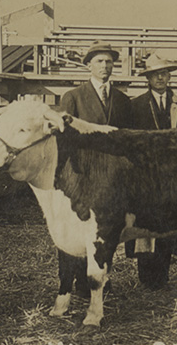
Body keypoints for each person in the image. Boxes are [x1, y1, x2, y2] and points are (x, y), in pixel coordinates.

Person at [56, 42, 134, 297]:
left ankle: (101, 279)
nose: (105, 66)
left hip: (111, 177)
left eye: (109, 62)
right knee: (78, 228)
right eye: (99, 61)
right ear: (88, 65)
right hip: (81, 175)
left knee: (104, 230)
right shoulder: (73, 96)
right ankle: (73, 284)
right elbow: (64, 138)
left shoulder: (122, 100)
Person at [127, 53, 177, 290]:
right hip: (144, 176)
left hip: (170, 176)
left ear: (169, 77)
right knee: (145, 225)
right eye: (155, 75)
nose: (160, 78)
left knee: (167, 225)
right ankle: (146, 277)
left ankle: (163, 276)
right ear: (148, 78)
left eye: (164, 74)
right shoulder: (136, 106)